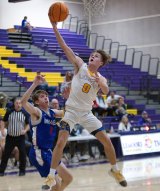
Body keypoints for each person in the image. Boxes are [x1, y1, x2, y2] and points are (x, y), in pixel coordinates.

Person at [43, 19, 127, 190]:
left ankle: (115, 170)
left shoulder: (100, 77)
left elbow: (105, 89)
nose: (92, 56)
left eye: (96, 56)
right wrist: (54, 29)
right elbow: (65, 47)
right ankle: (51, 176)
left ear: (101, 63)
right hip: (72, 111)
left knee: (107, 142)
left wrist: (99, 82)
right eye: (92, 54)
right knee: (61, 142)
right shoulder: (80, 65)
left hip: (87, 113)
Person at [21, 75, 72, 191]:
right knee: (57, 185)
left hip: (50, 152)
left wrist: (70, 96)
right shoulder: (37, 112)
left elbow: (68, 112)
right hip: (39, 152)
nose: (46, 98)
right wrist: (34, 84)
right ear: (37, 102)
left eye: (46, 96)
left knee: (68, 178)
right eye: (42, 97)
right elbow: (23, 102)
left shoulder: (53, 112)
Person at [0, 97, 30, 176]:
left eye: (20, 103)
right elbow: (3, 121)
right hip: (10, 137)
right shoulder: (9, 112)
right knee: (6, 154)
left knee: (23, 153)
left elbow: (28, 124)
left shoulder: (24, 113)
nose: (18, 105)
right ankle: (1, 171)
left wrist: (25, 130)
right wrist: (2, 130)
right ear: (14, 104)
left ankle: (22, 171)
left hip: (20, 137)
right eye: (17, 103)